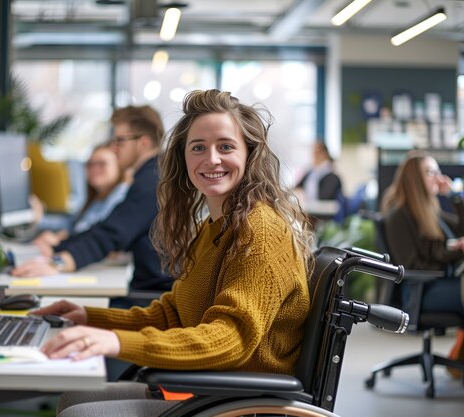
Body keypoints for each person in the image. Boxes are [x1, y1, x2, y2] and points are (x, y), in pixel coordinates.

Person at [31, 89, 313, 417]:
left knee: (80, 413)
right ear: (184, 158)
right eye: (198, 148)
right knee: (73, 399)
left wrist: (116, 343)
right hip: (215, 387)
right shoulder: (215, 225)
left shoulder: (259, 231)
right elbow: (172, 315)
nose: (211, 159)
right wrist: (88, 317)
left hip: (244, 400)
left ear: (250, 154)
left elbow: (230, 339)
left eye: (226, 146)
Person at [11, 105, 173, 308]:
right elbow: (105, 228)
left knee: (58, 312)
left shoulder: (152, 182)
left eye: (120, 141)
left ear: (143, 143)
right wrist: (56, 249)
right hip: (149, 291)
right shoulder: (153, 175)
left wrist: (56, 263)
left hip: (153, 297)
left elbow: (110, 234)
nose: (114, 148)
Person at [381, 150, 464, 319]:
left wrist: (454, 196)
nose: (438, 178)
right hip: (421, 291)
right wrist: (454, 252)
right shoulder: (398, 215)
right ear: (414, 178)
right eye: (430, 172)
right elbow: (411, 265)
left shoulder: (430, 212)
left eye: (438, 172)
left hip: (440, 283)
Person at [33, 143, 131, 256]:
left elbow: (101, 235)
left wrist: (61, 242)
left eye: (102, 164)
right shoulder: (96, 198)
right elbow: (73, 223)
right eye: (90, 164)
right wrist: (40, 219)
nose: (94, 169)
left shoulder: (121, 195)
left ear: (119, 165)